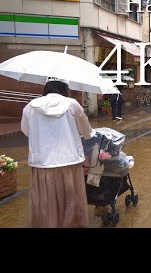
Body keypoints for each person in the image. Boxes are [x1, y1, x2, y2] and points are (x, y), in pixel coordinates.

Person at [20, 77, 96, 228]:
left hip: (42, 164)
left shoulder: (30, 107)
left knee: (45, 203)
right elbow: (86, 133)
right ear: (65, 89)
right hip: (70, 161)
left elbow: (26, 131)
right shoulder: (73, 104)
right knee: (70, 201)